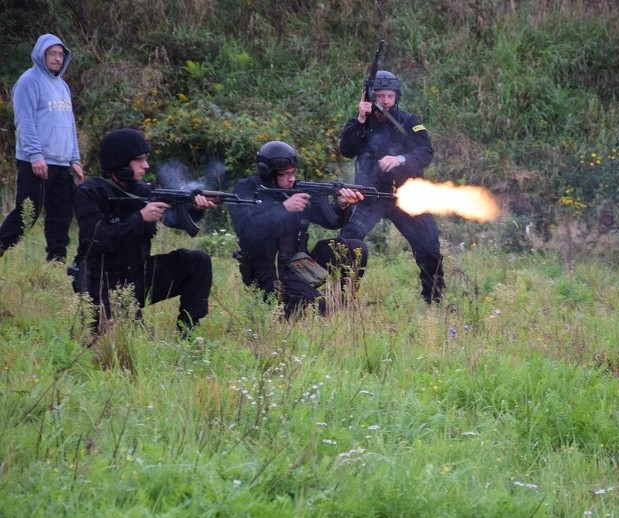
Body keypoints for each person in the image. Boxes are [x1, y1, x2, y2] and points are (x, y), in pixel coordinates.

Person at [72, 128, 216, 336]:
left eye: (145, 159)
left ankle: (188, 331)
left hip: (138, 275)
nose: (146, 165)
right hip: (103, 283)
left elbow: (175, 220)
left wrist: (195, 209)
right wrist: (139, 219)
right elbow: (97, 240)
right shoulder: (90, 193)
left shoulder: (143, 191)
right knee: (134, 342)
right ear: (119, 162)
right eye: (139, 160)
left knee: (197, 261)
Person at [339, 70, 444, 304]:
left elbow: (425, 152)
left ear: (397, 96)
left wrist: (400, 160)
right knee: (348, 242)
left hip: (405, 196)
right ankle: (342, 298)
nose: (385, 101)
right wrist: (360, 120)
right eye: (380, 96)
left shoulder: (409, 122)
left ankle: (434, 299)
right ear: (370, 97)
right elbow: (346, 150)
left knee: (429, 246)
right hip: (370, 197)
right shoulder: (360, 123)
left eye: (390, 96)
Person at [229, 141, 368, 318]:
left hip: (298, 266)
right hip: (268, 275)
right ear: (268, 173)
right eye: (284, 175)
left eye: (293, 173)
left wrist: (341, 206)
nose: (291, 179)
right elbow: (247, 229)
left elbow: (330, 220)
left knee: (356, 249)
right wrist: (283, 209)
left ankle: (343, 300)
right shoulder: (247, 190)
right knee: (321, 308)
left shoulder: (297, 190)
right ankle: (294, 306)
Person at [0, 33, 85, 262]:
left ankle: (56, 261)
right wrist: (36, 155)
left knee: (61, 215)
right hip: (36, 162)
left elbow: (69, 124)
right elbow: (24, 121)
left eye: (60, 54)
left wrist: (74, 160)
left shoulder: (63, 87)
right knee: (26, 215)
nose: (57, 58)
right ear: (41, 54)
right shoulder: (29, 81)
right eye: (52, 53)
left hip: (61, 162)